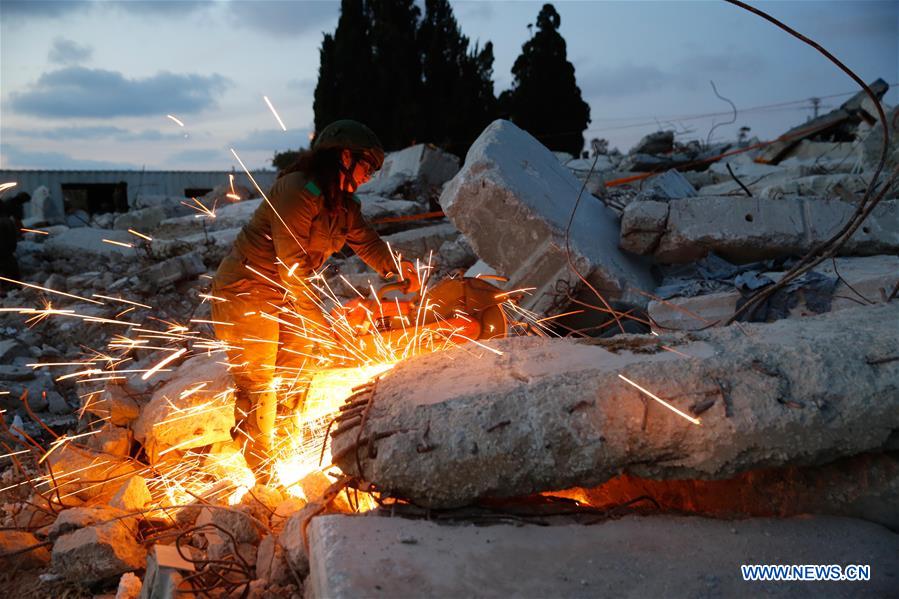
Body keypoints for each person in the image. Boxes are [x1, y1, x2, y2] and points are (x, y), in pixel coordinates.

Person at [211, 120, 419, 472]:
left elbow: (366, 241)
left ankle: (285, 459)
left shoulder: (342, 205)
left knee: (297, 374)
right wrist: (318, 323)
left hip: (285, 294)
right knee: (260, 383)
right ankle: (262, 475)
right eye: (367, 166)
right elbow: (292, 267)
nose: (369, 175)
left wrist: (397, 268)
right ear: (344, 156)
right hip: (246, 289)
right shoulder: (297, 190)